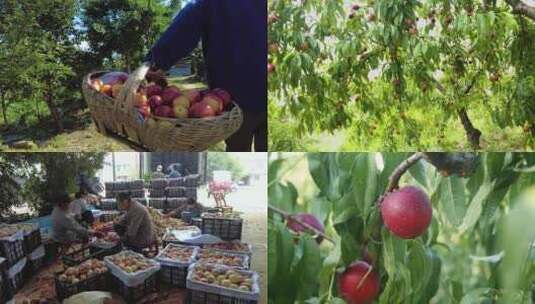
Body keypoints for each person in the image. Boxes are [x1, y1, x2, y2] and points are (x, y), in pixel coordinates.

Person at [145, 0, 267, 152]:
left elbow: (186, 24)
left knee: (240, 148)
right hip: (260, 95)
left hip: (235, 100)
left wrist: (157, 61)